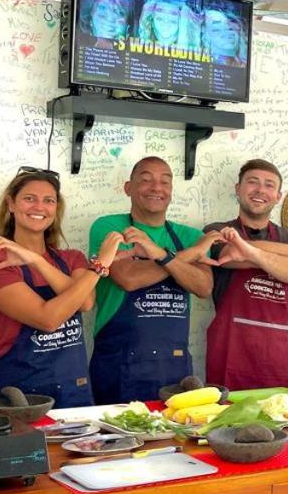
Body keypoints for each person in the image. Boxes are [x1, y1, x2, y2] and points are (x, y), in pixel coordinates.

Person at [0, 167, 123, 406]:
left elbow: (85, 303)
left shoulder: (72, 258)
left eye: (48, 200)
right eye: (29, 198)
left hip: (74, 392)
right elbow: (47, 319)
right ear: (11, 204)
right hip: (19, 396)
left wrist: (37, 261)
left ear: (56, 209)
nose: (39, 207)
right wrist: (100, 266)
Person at [186, 159, 288, 390]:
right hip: (231, 352)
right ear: (238, 189)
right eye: (252, 182)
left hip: (280, 356)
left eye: (269, 185)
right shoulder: (215, 230)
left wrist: (248, 251)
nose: (260, 190)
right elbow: (229, 255)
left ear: (278, 196)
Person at [87, 157, 211, 403]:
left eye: (165, 182)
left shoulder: (191, 235)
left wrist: (160, 255)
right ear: (128, 188)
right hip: (118, 365)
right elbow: (129, 278)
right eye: (146, 180)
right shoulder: (110, 227)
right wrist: (187, 257)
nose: (156, 187)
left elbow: (203, 286)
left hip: (175, 366)